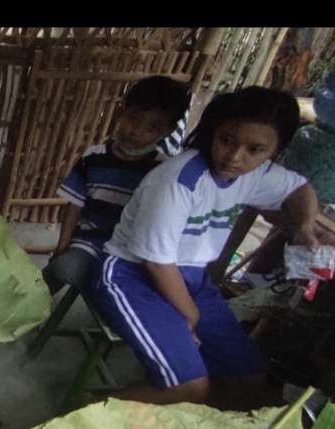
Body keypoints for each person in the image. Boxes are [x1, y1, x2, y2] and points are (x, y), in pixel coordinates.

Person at [91, 86, 321, 408]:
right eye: (227, 140)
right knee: (189, 388)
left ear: (275, 150)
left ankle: (164, 425)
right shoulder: (177, 181)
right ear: (214, 132)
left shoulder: (258, 175)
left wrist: (305, 229)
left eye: (255, 149)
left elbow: (301, 189)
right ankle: (76, 419)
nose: (235, 156)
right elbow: (157, 264)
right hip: (131, 276)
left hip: (193, 278)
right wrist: (190, 317)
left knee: (250, 382)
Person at [44, 76, 190, 295]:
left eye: (152, 127)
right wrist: (62, 246)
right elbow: (73, 206)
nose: (138, 131)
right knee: (61, 269)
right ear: (122, 112)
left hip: (132, 254)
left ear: (168, 131)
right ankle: (26, 310)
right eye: (134, 119)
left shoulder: (163, 171)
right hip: (90, 243)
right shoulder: (93, 157)